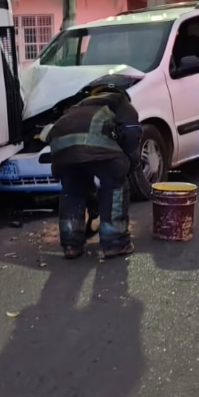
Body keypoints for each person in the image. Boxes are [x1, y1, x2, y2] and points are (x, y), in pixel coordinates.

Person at [47, 75, 142, 259]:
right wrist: (131, 163)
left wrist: (92, 199)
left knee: (72, 191)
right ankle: (116, 242)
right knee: (115, 184)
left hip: (60, 150)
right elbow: (131, 133)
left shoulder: (77, 106)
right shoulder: (120, 101)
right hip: (95, 145)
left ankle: (71, 244)